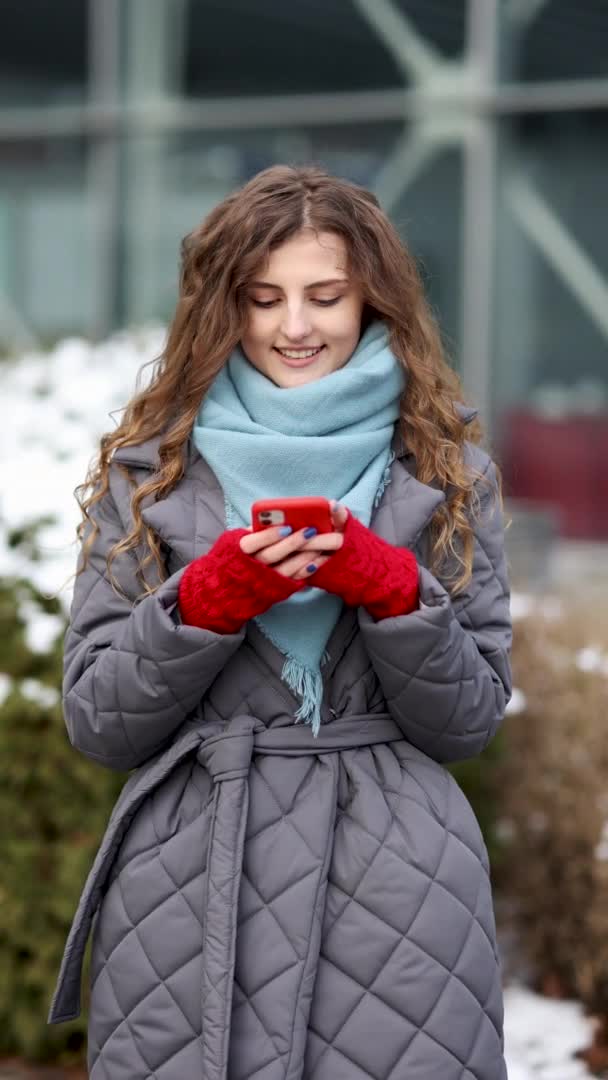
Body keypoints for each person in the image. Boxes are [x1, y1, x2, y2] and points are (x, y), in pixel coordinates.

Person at [49, 164, 512, 1079]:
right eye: (264, 299)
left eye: (325, 296)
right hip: (188, 891)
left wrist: (391, 591)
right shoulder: (152, 470)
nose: (295, 327)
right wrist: (200, 607)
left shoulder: (445, 470)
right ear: (225, 307)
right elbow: (99, 721)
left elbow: (467, 721)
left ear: (372, 300)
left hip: (398, 901)